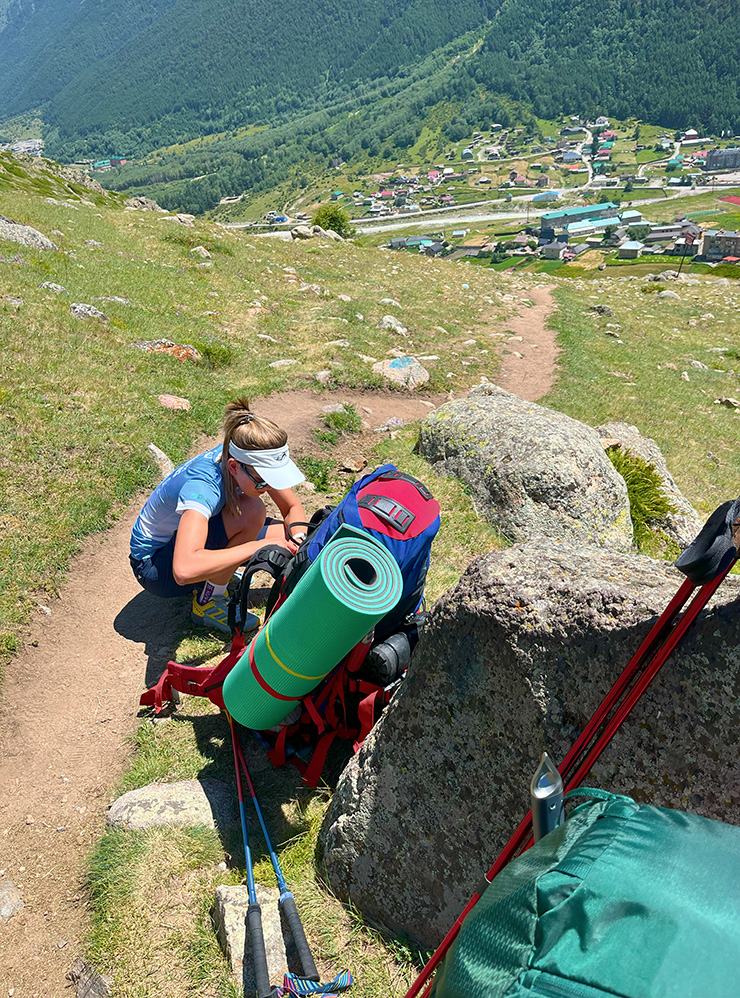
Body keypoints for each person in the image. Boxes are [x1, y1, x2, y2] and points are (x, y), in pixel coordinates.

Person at [129, 397, 307, 634]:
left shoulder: (242, 455)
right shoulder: (203, 487)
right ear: (234, 467)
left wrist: (299, 538)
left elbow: (291, 508)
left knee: (285, 535)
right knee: (252, 511)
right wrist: (259, 546)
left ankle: (216, 576)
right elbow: (184, 571)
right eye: (263, 481)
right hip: (155, 568)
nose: (269, 487)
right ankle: (208, 603)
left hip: (176, 545)